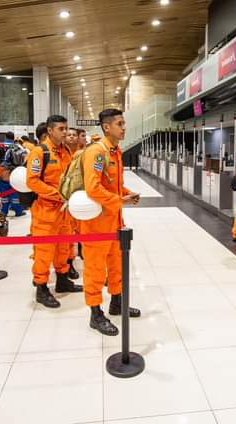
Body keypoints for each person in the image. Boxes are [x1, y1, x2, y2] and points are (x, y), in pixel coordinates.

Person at [81, 109, 141, 335]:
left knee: (117, 265)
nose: (124, 128)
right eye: (120, 124)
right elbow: (92, 188)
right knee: (95, 269)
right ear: (106, 127)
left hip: (114, 221)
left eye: (124, 123)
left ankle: (117, 302)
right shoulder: (97, 152)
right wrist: (119, 200)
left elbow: (113, 185)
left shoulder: (115, 151)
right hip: (96, 224)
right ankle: (95, 314)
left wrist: (126, 193)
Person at [27, 115, 83, 308]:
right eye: (61, 129)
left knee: (64, 248)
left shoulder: (66, 151)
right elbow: (32, 181)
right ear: (50, 130)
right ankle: (41, 288)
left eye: (66, 128)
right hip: (46, 212)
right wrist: (57, 195)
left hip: (65, 212)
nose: (65, 132)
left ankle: (62, 280)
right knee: (44, 252)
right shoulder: (40, 152)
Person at [0, 131, 25, 217]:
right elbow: (23, 160)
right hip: (14, 174)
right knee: (15, 194)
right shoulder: (17, 147)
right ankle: (18, 211)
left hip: (1, 174)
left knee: (3, 194)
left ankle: (4, 211)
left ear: (5, 137)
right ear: (13, 138)